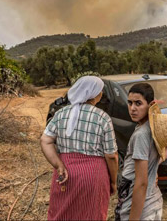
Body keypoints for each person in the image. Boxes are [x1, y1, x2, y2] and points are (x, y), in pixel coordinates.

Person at [40, 76, 118, 220]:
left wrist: (58, 165)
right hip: (93, 175)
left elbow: (45, 140)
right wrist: (113, 181)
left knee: (63, 213)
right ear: (96, 95)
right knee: (92, 214)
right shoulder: (103, 118)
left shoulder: (60, 114)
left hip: (65, 173)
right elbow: (111, 155)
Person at [115, 83, 167, 221]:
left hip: (140, 208)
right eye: (130, 103)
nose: (132, 108)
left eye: (138, 103)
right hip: (154, 202)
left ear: (150, 105)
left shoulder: (141, 134)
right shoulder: (153, 126)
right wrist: (153, 165)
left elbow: (141, 183)